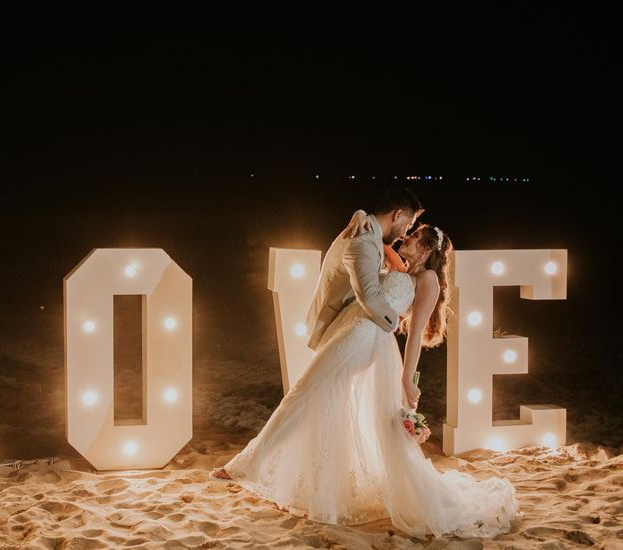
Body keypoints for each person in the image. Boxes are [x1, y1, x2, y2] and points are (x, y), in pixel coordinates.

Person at [210, 203, 521, 538]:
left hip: (363, 340)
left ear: (429, 248)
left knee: (304, 393)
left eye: (414, 236)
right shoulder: (400, 265)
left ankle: (245, 465)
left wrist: (407, 379)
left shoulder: (427, 279)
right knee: (323, 402)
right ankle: (317, 484)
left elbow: (415, 334)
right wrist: (360, 214)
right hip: (347, 330)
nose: (406, 237)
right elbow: (377, 236)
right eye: (409, 230)